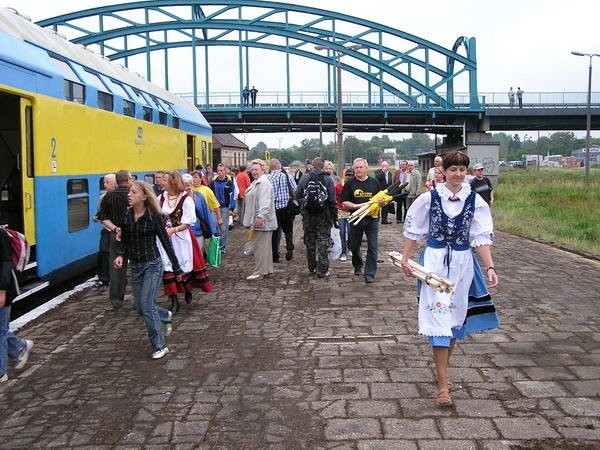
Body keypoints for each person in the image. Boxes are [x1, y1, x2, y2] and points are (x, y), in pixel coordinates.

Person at [400, 150, 499, 407]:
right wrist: (405, 258)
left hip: (462, 266)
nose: (457, 174)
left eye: (462, 170)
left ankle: (442, 370)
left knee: (454, 321)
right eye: (453, 169)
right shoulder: (428, 198)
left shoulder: (475, 201)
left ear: (466, 172)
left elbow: (480, 237)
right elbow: (413, 230)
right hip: (433, 265)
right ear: (443, 171)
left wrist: (489, 266)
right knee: (438, 318)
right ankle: (443, 386)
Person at [114, 181, 181, 360]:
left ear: (144, 196)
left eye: (133, 192)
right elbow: (124, 240)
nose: (129, 195)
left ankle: (160, 345)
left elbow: (165, 242)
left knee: (147, 306)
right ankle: (164, 315)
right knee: (140, 307)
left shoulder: (154, 216)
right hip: (135, 266)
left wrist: (176, 266)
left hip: (152, 264)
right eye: (129, 192)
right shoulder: (127, 215)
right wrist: (120, 255)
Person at [158, 171, 212, 313]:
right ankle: (174, 300)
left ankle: (187, 289)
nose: (161, 182)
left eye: (164, 179)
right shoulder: (161, 198)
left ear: (173, 182)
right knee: (167, 268)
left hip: (181, 238)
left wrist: (173, 230)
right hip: (166, 238)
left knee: (183, 267)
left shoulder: (185, 200)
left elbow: (188, 222)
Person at [341, 158, 385, 283]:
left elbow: (382, 200)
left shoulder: (374, 182)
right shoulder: (350, 184)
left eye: (361, 167)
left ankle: (370, 273)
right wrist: (356, 206)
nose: (358, 170)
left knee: (373, 246)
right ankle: (358, 264)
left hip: (372, 219)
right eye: (356, 168)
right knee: (354, 246)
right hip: (355, 218)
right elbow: (344, 203)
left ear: (366, 169)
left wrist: (382, 202)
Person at [0, 228, 34, 382]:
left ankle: (1, 372)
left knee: (1, 330)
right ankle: (20, 346)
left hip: (4, 289)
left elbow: (6, 265)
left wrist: (2, 292)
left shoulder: (1, 235)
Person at [296, 157, 337, 278]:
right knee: (323, 242)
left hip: (308, 216)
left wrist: (304, 208)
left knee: (310, 241)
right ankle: (323, 270)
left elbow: (297, 194)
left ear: (312, 166)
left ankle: (312, 267)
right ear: (323, 166)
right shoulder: (328, 179)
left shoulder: (305, 177)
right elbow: (332, 200)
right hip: (323, 215)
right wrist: (334, 218)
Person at [97, 169, 133, 310]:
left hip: (115, 236)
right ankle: (141, 298)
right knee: (138, 266)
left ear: (117, 181)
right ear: (129, 179)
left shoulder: (108, 197)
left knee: (117, 269)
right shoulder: (133, 195)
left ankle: (116, 300)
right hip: (134, 234)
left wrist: (115, 229)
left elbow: (102, 217)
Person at [242, 159, 278, 280]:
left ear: (263, 169)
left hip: (263, 220)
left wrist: (260, 216)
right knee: (265, 247)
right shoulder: (258, 181)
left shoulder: (263, 183)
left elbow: (265, 201)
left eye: (256, 169)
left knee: (260, 247)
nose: (254, 172)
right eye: (252, 170)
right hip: (261, 219)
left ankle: (259, 272)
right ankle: (266, 270)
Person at [267, 159, 297, 263]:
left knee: (275, 231)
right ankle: (289, 246)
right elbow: (295, 189)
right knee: (288, 229)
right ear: (280, 166)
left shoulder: (268, 178)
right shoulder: (287, 176)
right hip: (286, 207)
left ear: (270, 168)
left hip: (274, 208)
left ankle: (275, 255)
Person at [92, 173, 116, 289]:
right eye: (104, 183)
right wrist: (96, 217)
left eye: (107, 182)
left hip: (119, 230)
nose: (105, 185)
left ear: (115, 183)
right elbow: (99, 213)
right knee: (103, 251)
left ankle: (118, 277)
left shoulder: (121, 197)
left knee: (117, 254)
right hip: (107, 230)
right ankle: (104, 278)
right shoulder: (102, 198)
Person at [182, 173, 218, 250]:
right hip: (184, 231)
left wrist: (213, 230)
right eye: (183, 186)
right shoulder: (179, 198)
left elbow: (206, 213)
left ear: (191, 185)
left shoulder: (199, 196)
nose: (186, 188)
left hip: (198, 229)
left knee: (199, 252)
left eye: (188, 185)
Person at [210, 164, 236, 252]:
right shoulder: (213, 183)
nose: (219, 172)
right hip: (214, 208)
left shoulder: (229, 183)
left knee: (223, 228)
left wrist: (231, 208)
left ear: (225, 171)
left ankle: (221, 247)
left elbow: (233, 196)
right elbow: (210, 196)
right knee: (214, 226)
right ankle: (216, 245)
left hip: (225, 208)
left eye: (221, 171)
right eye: (218, 171)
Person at [335, 168, 354, 262]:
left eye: (351, 176)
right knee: (342, 232)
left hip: (351, 212)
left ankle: (350, 247)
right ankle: (343, 251)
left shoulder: (354, 186)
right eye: (348, 176)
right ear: (345, 176)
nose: (349, 178)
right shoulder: (338, 186)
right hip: (341, 211)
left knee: (350, 232)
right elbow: (335, 198)